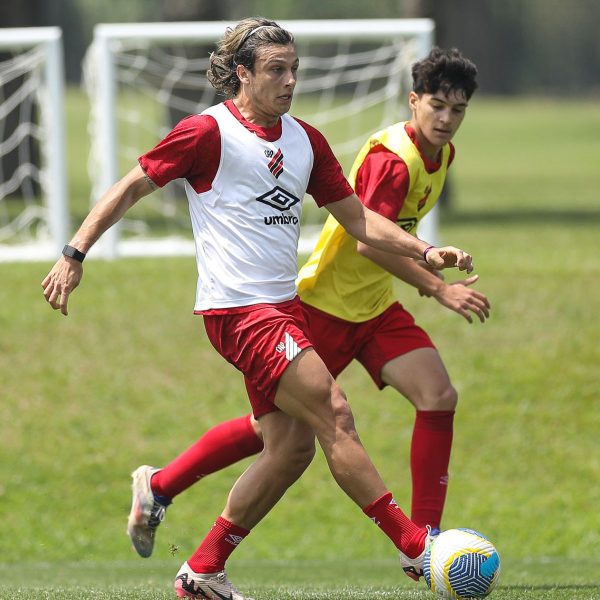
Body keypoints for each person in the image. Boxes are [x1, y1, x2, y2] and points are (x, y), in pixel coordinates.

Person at [42, 18, 474, 600]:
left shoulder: (305, 139)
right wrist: (75, 252)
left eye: (294, 69)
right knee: (335, 412)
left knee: (290, 447)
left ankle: (202, 569)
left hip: (286, 308)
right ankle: (420, 549)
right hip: (238, 312)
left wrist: (424, 250)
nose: (289, 80)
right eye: (276, 70)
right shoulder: (207, 132)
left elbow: (357, 219)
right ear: (242, 74)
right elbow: (131, 186)